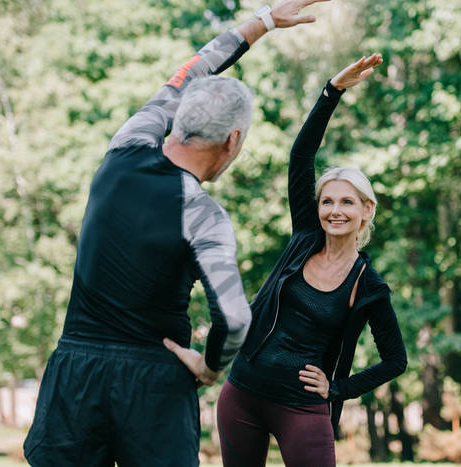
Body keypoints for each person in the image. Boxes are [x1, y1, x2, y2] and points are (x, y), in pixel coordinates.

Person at [23, 1, 330, 465]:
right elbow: (235, 318)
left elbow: (189, 71)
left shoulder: (123, 148)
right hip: (154, 381)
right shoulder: (204, 215)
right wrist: (208, 367)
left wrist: (262, 21)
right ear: (233, 141)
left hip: (76, 370)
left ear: (178, 120)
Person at [167, 55, 408, 466]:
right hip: (242, 393)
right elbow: (301, 157)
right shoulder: (303, 240)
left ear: (366, 210)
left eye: (347, 202)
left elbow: (395, 360)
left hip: (302, 407)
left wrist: (337, 389)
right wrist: (332, 91)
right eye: (327, 201)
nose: (335, 210)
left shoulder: (369, 285)